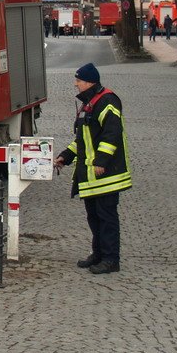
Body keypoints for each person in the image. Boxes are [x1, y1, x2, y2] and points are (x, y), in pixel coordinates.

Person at [54, 63, 132, 275]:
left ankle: (111, 259)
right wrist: (65, 156)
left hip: (106, 174)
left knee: (106, 218)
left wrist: (101, 162)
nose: (75, 84)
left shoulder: (107, 101)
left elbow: (111, 135)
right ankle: (98, 254)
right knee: (94, 217)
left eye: (78, 80)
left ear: (89, 82)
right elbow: (82, 140)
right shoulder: (90, 102)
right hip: (91, 175)